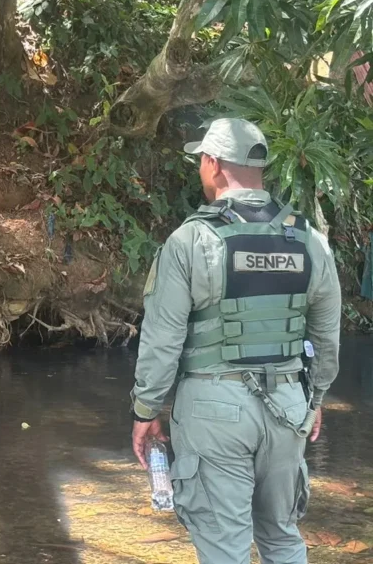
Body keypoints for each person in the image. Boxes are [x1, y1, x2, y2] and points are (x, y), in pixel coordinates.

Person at [131, 117, 341, 564]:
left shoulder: (191, 239)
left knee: (225, 550)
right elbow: (326, 335)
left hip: (213, 410)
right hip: (288, 406)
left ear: (212, 164)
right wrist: (314, 396)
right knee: (282, 537)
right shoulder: (310, 240)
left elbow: (163, 338)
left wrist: (146, 409)